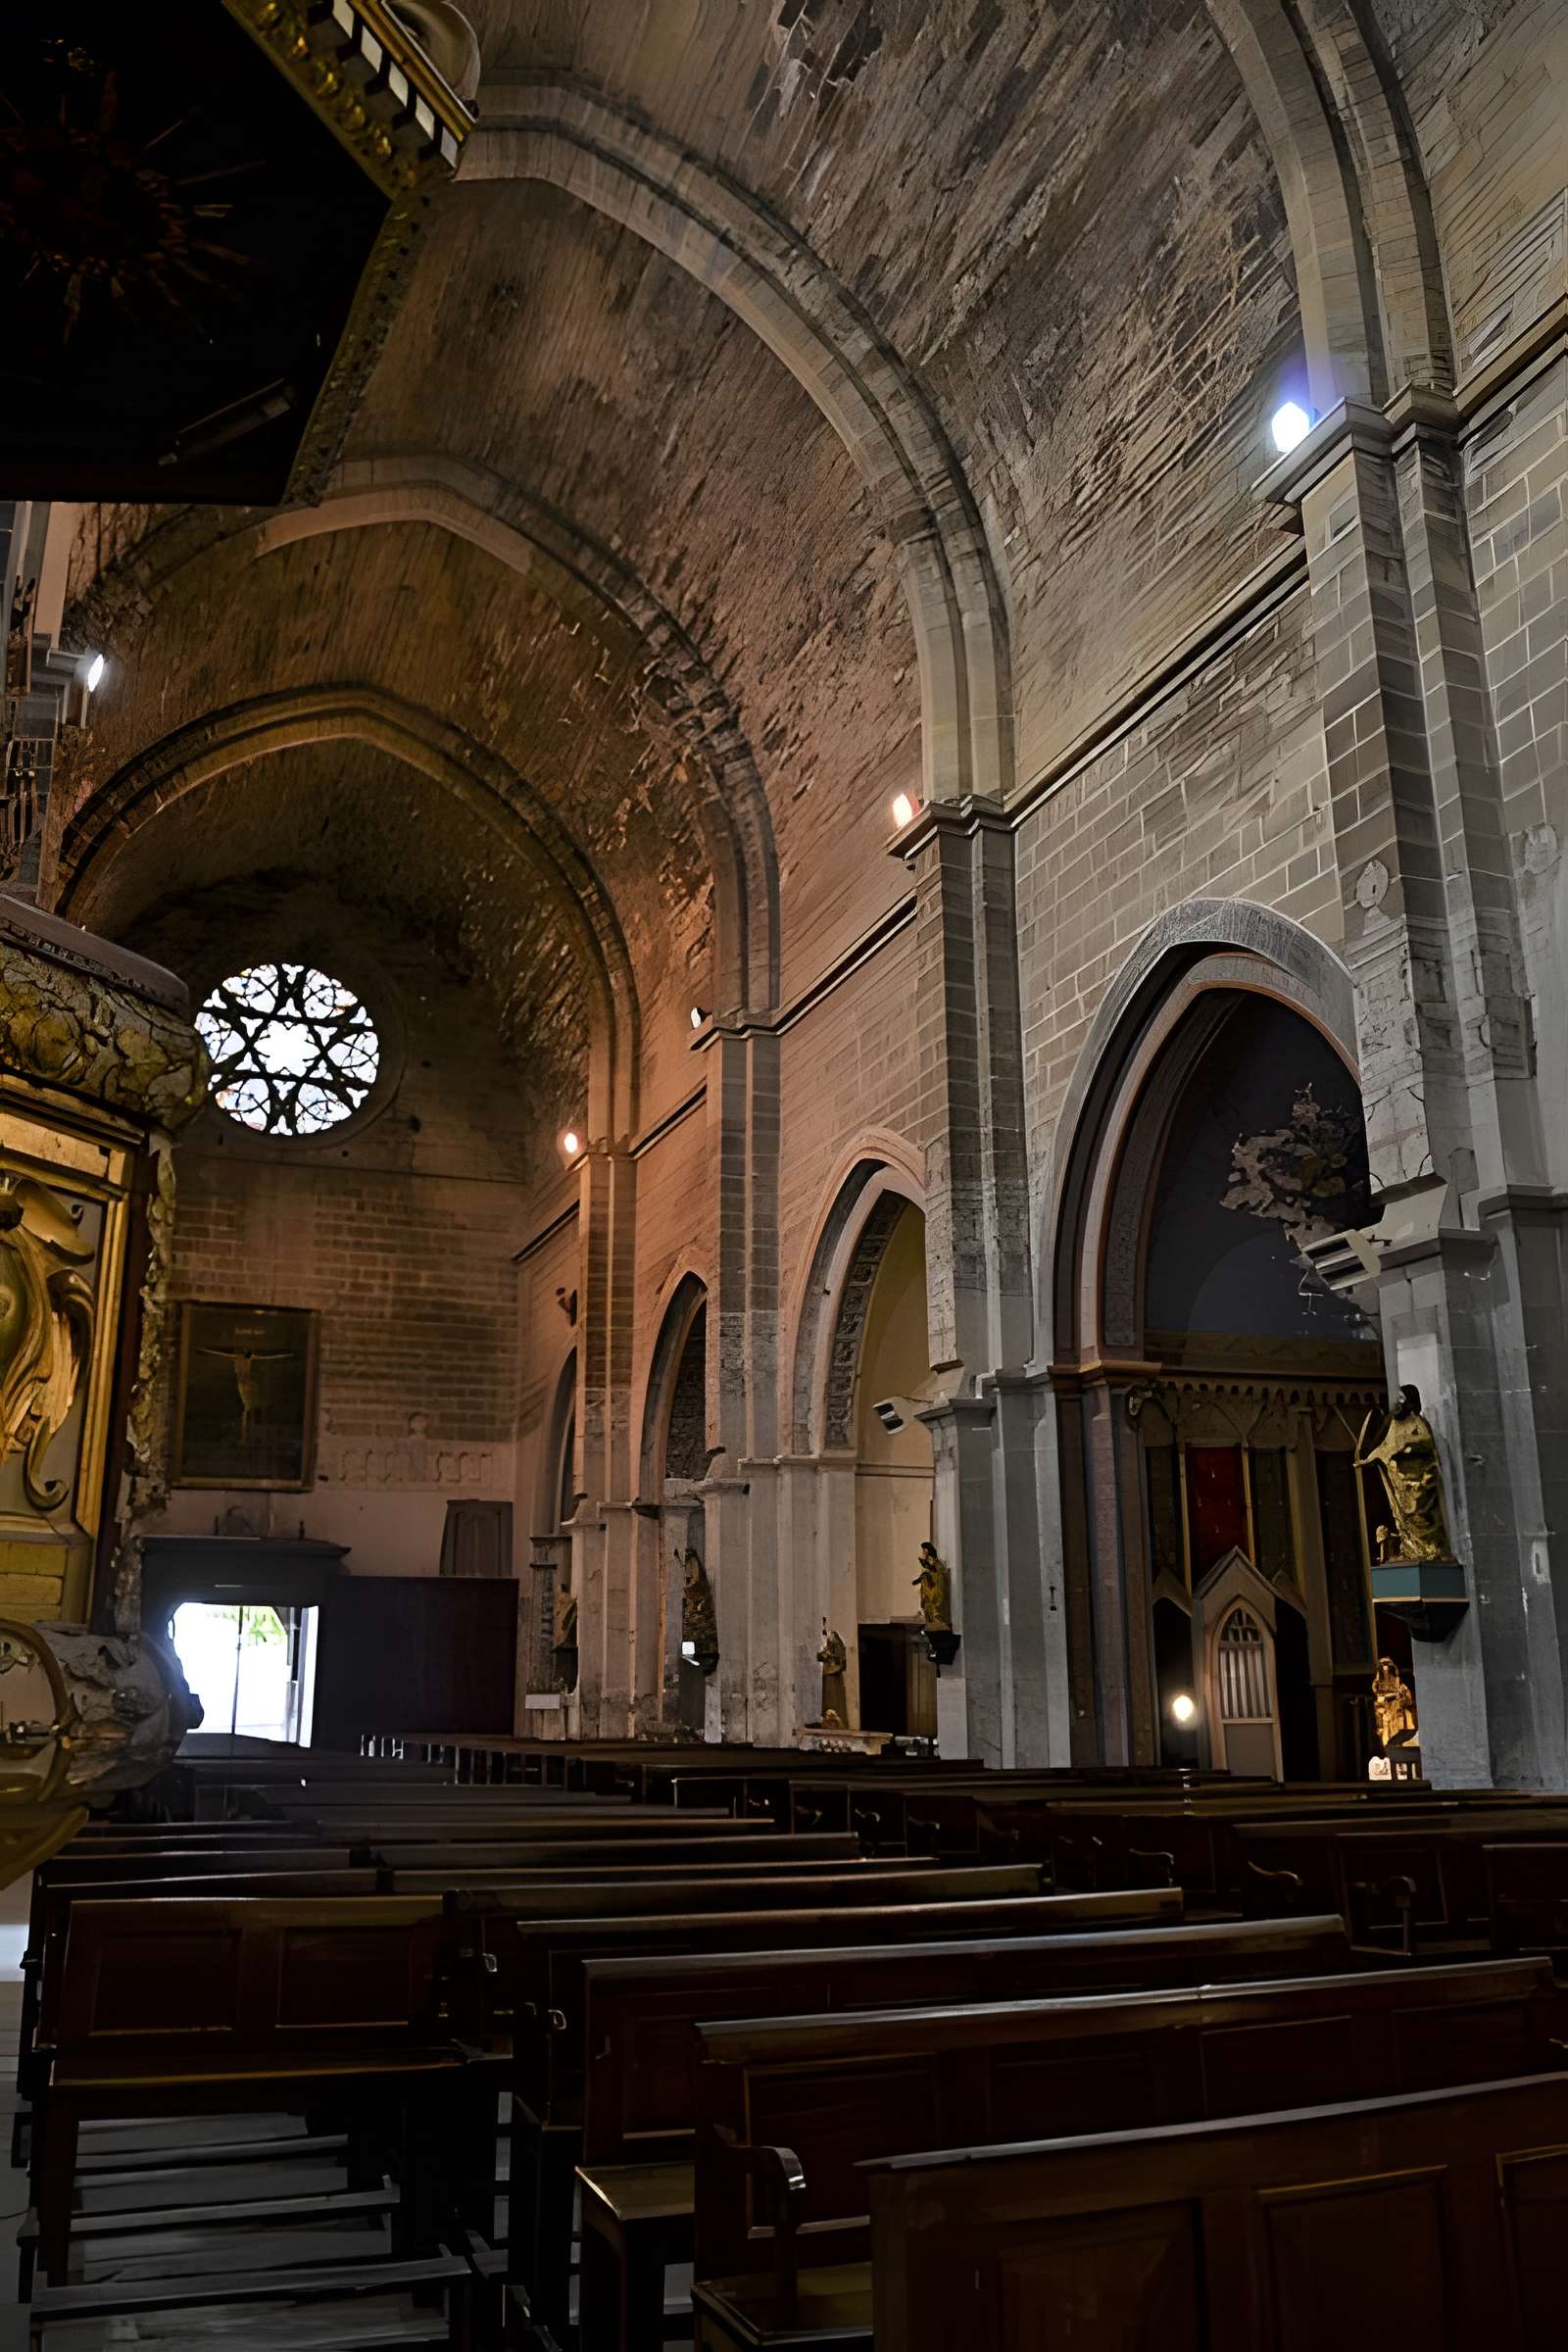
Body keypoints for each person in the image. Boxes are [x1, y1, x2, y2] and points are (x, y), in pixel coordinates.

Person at [1355, 1385, 1453, 1561]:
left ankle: (1432, 1549)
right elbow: (1384, 1447)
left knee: (1421, 1516)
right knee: (1403, 1518)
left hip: (1416, 1480)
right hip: (1400, 1481)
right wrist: (1368, 1459)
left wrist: (1400, 1452)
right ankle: (1411, 1548)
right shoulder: (1393, 1425)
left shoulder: (1417, 1424)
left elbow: (1422, 1446)